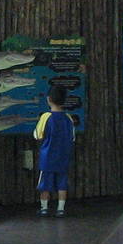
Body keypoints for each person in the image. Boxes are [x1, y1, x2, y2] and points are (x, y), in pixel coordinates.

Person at [33, 84, 75, 217]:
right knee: (62, 183)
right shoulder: (68, 118)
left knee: (45, 183)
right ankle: (61, 209)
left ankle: (44, 208)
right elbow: (72, 137)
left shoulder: (46, 117)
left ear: (48, 99)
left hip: (47, 157)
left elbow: (38, 134)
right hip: (63, 156)